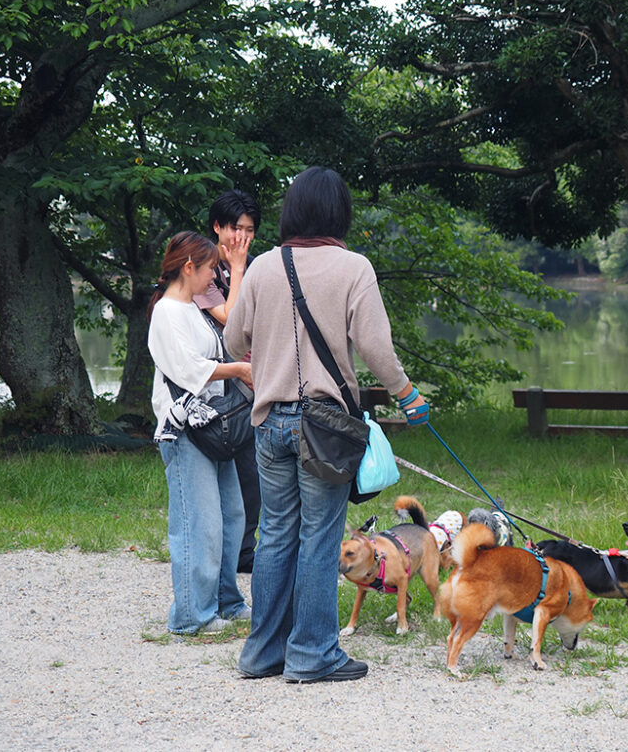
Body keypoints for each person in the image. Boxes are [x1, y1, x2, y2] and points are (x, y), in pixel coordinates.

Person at [225, 167, 429, 683]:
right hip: (324, 427)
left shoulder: (265, 268)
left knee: (273, 535)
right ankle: (312, 654)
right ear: (340, 212)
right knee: (319, 538)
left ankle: (262, 654)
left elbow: (231, 344)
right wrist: (407, 395)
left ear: (291, 210)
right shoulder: (354, 267)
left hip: (268, 422)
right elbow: (376, 347)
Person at [148, 230, 253, 635]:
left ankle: (225, 601)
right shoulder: (167, 312)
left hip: (213, 427)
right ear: (189, 267)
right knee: (199, 523)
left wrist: (238, 268)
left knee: (232, 516)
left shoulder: (192, 307)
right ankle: (192, 616)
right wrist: (241, 370)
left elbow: (230, 331)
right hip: (184, 433)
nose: (215, 277)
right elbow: (190, 369)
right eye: (211, 269)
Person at [194, 190, 261, 573]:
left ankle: (244, 548)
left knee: (254, 472)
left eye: (250, 231)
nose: (243, 239)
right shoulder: (200, 268)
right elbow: (231, 322)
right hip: (217, 386)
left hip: (254, 379)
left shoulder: (256, 267)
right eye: (236, 229)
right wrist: (236, 269)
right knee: (235, 469)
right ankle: (230, 551)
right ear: (217, 227)